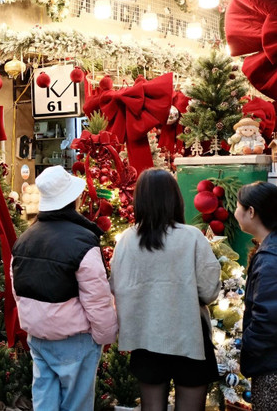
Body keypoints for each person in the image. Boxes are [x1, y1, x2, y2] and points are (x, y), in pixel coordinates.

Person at [110, 169, 221, 411]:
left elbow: (117, 286)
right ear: (175, 199)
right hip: (189, 335)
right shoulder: (192, 237)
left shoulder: (126, 241)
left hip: (145, 337)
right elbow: (210, 290)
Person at [11, 165, 118, 411]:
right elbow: (97, 299)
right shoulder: (83, 240)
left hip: (38, 336)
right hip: (75, 339)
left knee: (44, 402)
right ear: (73, 199)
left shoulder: (24, 240)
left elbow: (19, 291)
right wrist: (104, 336)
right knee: (76, 404)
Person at [235, 181, 277, 410]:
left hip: (271, 367)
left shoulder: (270, 258)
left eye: (238, 206)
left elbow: (267, 319)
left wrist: (248, 347)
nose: (235, 212)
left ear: (251, 212)